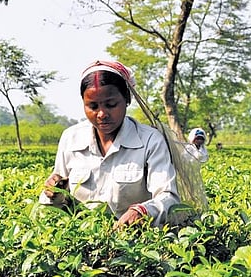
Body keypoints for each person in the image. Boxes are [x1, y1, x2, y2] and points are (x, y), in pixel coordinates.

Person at [39, 60, 180, 227]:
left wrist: (143, 211)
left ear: (127, 99)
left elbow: (168, 197)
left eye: (111, 105)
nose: (102, 114)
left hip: (135, 238)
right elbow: (59, 201)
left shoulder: (150, 140)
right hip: (83, 236)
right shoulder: (71, 139)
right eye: (93, 106)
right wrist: (54, 193)